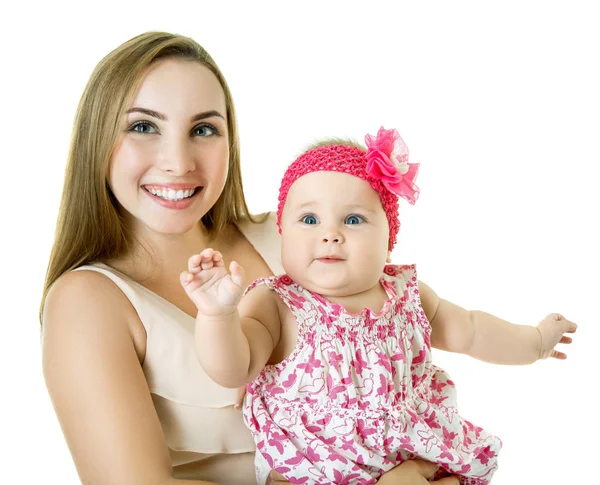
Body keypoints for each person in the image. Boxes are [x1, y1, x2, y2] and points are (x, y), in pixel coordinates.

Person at [40, 31, 453, 485]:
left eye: (203, 129)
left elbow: (408, 346)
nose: (178, 163)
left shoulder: (300, 236)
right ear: (96, 140)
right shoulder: (87, 302)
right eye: (143, 126)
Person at [181, 128, 578, 484]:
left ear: (390, 239)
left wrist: (534, 342)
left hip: (409, 455)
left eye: (353, 220)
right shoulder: (276, 303)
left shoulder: (408, 296)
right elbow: (234, 367)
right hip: (309, 469)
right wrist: (218, 314)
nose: (331, 235)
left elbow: (472, 330)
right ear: (282, 230)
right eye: (309, 219)